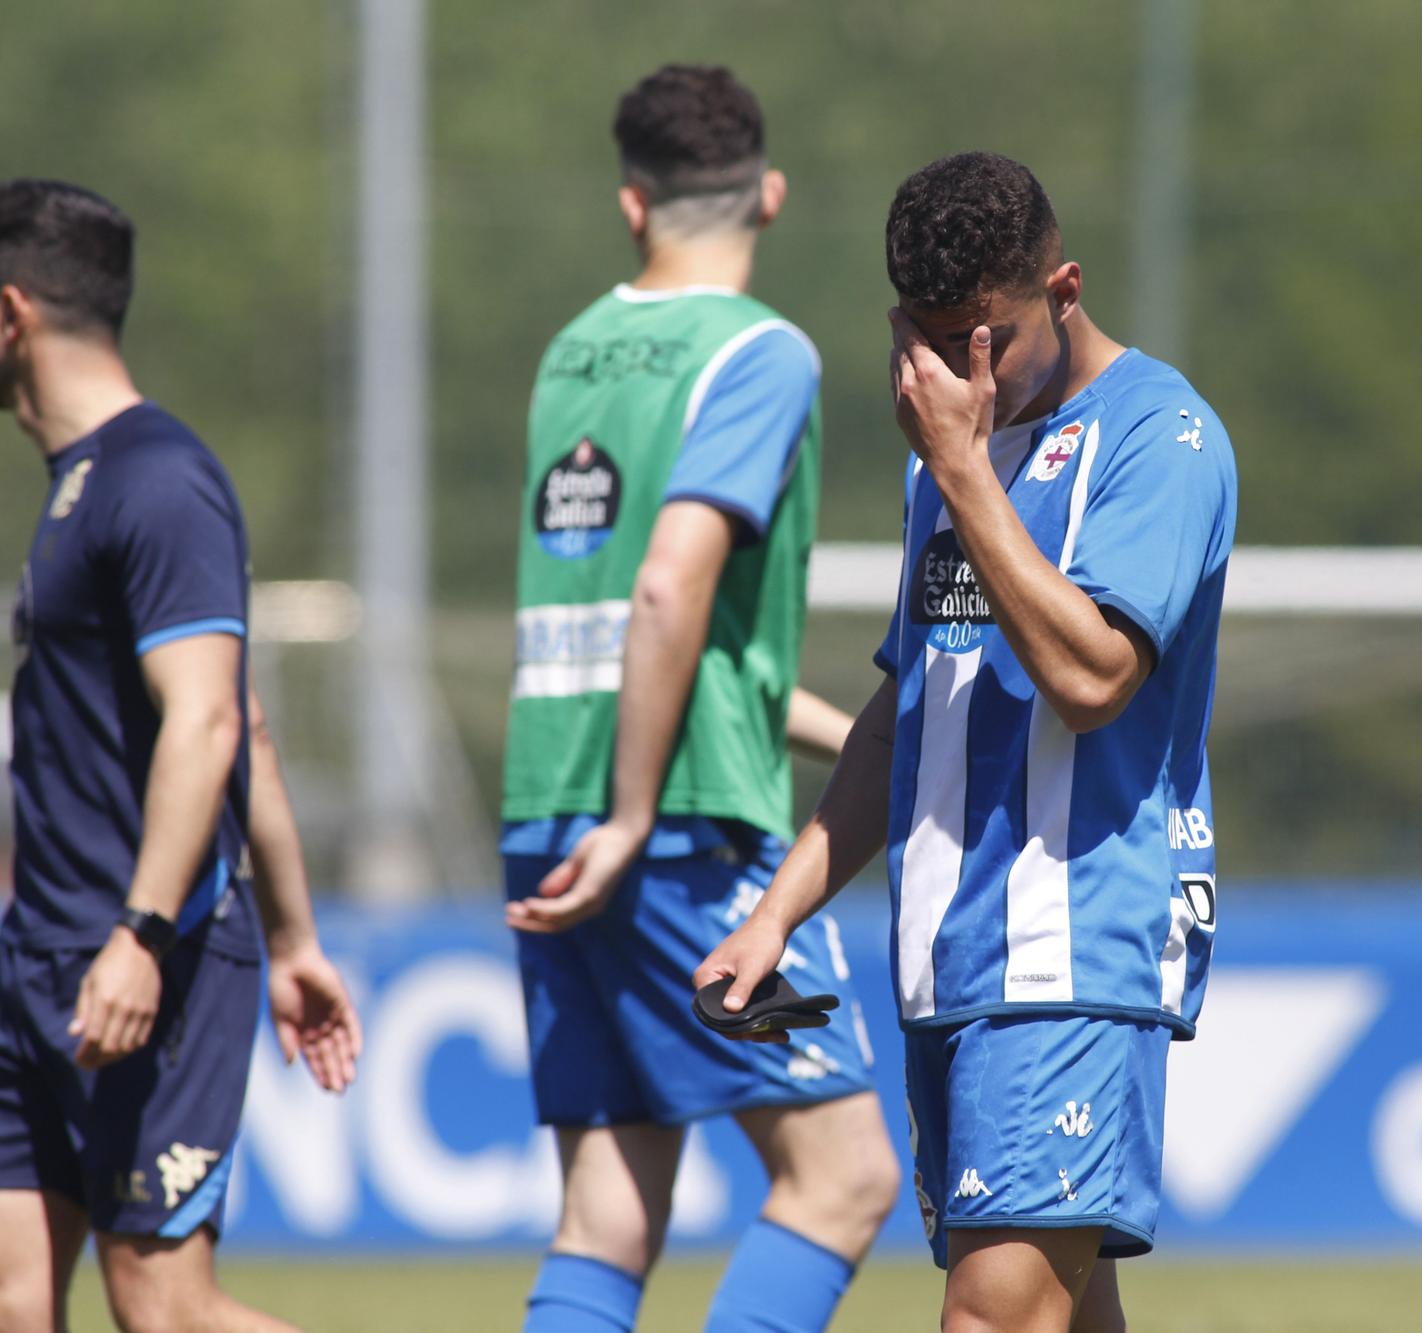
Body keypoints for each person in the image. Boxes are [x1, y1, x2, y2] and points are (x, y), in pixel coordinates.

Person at [698, 150, 1238, 1332]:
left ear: (1062, 287)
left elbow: (1093, 676)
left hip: (1072, 951)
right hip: (945, 960)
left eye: (980, 337)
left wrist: (957, 469)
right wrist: (774, 912)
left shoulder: (1162, 437)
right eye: (925, 339)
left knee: (989, 1317)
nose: (952, 370)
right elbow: (904, 714)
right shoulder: (941, 455)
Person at [499, 64, 898, 1333]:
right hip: (676, 826)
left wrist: (879, 742)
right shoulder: (758, 352)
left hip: (549, 807)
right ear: (769, 195)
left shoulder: (572, 351)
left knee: (608, 1212)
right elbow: (672, 591)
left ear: (632, 206)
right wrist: (634, 815)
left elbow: (691, 645)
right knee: (841, 1178)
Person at [0, 178, 363, 1332]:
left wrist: (144, 934)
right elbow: (240, 721)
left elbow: (210, 724)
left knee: (163, 1307)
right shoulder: (78, 489)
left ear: (10, 313)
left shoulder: (160, 478)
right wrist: (301, 937)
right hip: (39, 958)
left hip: (148, 957)